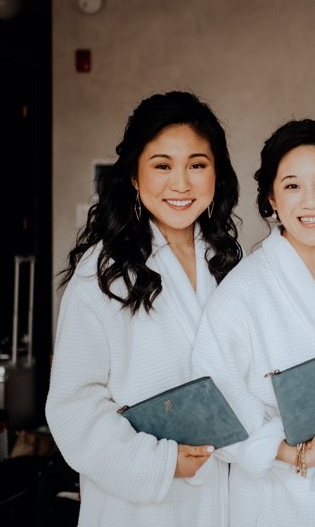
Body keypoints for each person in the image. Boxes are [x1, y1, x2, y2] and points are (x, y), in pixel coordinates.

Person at [45, 90, 243, 526]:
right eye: (162, 166)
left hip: (222, 497)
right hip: (139, 505)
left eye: (197, 164)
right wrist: (162, 462)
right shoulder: (102, 274)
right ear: (134, 176)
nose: (181, 184)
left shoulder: (227, 264)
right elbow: (73, 406)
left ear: (216, 174)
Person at [191, 119, 315, 527]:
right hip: (278, 499)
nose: (311, 201)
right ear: (271, 199)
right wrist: (295, 454)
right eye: (292, 186)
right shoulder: (242, 291)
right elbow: (215, 400)